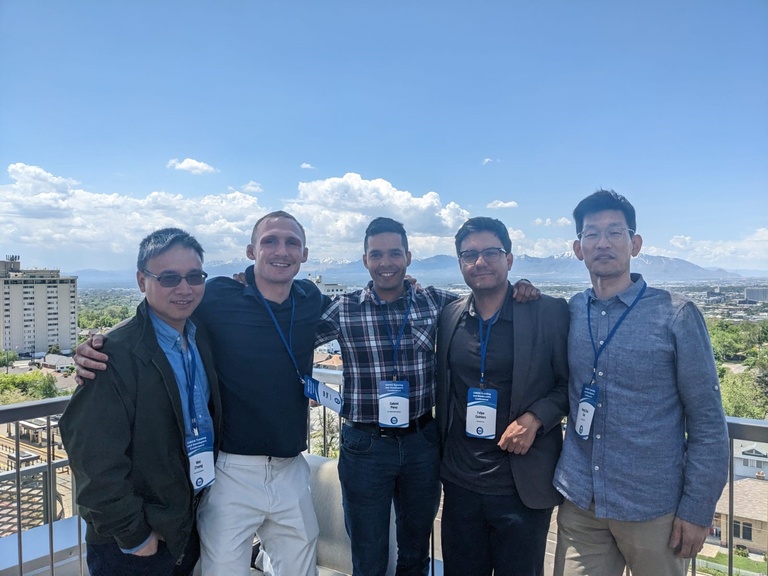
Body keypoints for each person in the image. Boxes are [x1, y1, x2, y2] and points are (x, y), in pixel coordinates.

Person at [74, 211, 330, 576]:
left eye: (292, 242)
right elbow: (151, 316)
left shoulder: (310, 296)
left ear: (304, 254)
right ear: (250, 251)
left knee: (301, 568)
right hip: (229, 469)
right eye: (269, 241)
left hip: (291, 467)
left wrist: (401, 286)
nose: (281, 250)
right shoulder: (215, 297)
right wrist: (93, 347)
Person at [314, 217, 539, 576]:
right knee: (368, 555)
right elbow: (288, 333)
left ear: (408, 257)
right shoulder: (343, 309)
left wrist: (522, 289)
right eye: (377, 254)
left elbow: (487, 300)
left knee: (415, 551)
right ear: (365, 260)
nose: (386, 262)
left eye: (394, 253)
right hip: (365, 446)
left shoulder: (435, 302)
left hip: (422, 443)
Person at [552, 190, 730, 576]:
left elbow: (707, 422)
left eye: (614, 232)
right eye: (591, 234)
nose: (602, 243)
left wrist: (697, 509)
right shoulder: (570, 310)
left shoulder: (677, 315)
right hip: (581, 501)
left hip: (653, 509)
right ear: (577, 249)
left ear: (634, 243)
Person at [60, 228, 222, 576]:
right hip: (134, 545)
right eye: (168, 278)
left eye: (194, 276)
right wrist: (134, 534)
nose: (184, 288)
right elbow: (92, 457)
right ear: (141, 280)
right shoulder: (112, 356)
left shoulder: (199, 337)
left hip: (185, 527)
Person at [435, 216, 569, 576]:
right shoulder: (449, 316)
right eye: (470, 254)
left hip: (520, 486)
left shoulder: (548, 312)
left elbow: (569, 384)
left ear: (509, 259)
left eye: (491, 252)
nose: (480, 262)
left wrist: (537, 417)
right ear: (460, 263)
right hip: (460, 483)